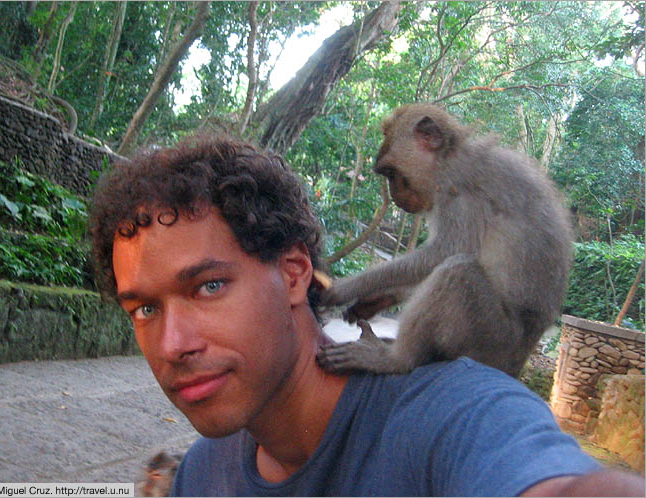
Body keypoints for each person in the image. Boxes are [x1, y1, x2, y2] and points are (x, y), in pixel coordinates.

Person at [89, 133, 644, 497]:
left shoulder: (451, 416)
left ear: (293, 274)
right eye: (144, 308)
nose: (172, 344)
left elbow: (542, 477)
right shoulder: (203, 476)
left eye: (209, 285)